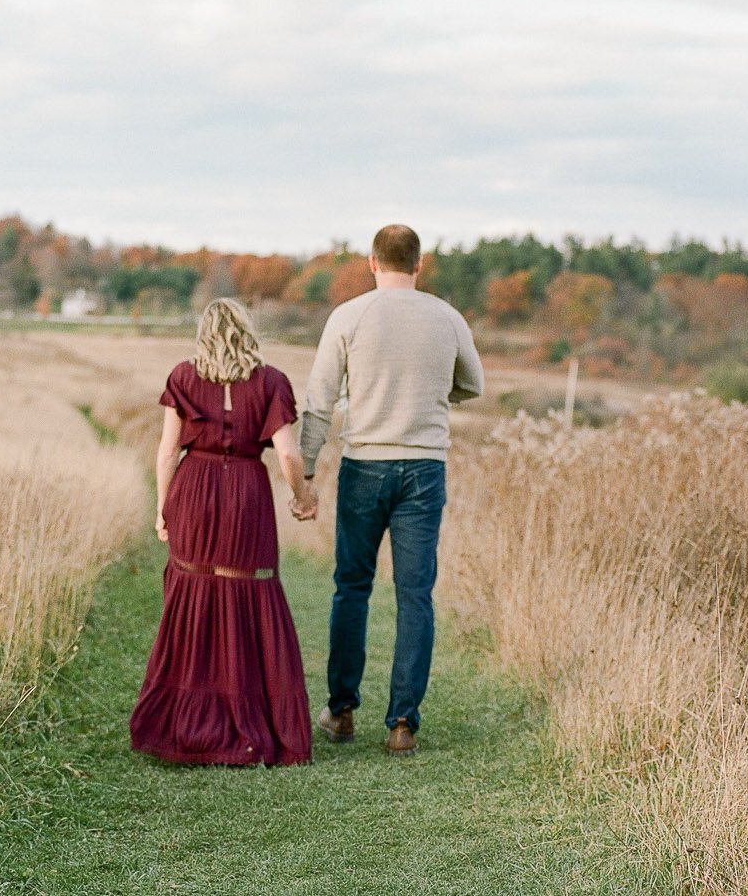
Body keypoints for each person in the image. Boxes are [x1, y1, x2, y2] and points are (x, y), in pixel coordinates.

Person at [300, 224, 484, 756]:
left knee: (352, 588)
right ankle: (403, 723)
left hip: (365, 466)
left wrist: (306, 470)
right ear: (419, 265)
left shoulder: (349, 316)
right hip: (424, 469)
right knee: (414, 595)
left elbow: (319, 399)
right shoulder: (447, 317)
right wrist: (428, 387)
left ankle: (340, 711)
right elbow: (472, 384)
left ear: (372, 263)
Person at [130, 298, 319, 766]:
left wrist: (163, 508)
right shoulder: (271, 381)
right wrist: (302, 496)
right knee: (247, 595)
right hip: (247, 495)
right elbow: (290, 455)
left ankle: (187, 726)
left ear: (204, 334)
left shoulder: (183, 376)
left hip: (193, 491)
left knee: (193, 597)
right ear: (247, 331)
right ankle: (254, 723)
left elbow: (167, 452)